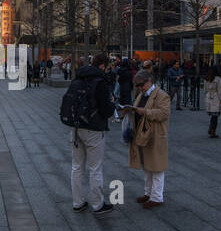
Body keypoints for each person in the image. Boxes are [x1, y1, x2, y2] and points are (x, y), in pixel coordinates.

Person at [62, 55, 118, 216]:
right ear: (102, 66)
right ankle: (98, 204)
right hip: (94, 129)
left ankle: (77, 202)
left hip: (75, 128)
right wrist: (112, 103)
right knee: (95, 168)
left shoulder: (77, 79)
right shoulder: (100, 82)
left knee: (77, 166)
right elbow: (106, 111)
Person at [125, 69, 172, 207]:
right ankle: (148, 193)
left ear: (149, 81)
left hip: (156, 135)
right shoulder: (142, 94)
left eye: (141, 84)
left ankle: (157, 197)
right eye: (137, 85)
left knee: (157, 167)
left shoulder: (162, 95)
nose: (139, 87)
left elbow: (164, 114)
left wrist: (145, 111)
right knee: (146, 166)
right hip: (143, 134)